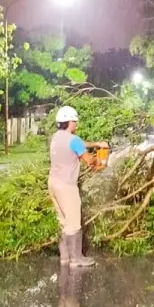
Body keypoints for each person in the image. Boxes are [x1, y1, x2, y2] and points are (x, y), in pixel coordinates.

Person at [48, 106, 109, 267]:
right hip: (66, 186)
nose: (76, 124)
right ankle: (77, 259)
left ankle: (65, 258)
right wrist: (100, 160)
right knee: (74, 222)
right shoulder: (73, 140)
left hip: (53, 183)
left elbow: (79, 144)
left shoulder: (56, 137)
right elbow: (88, 160)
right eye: (75, 121)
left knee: (63, 222)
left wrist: (97, 144)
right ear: (69, 122)